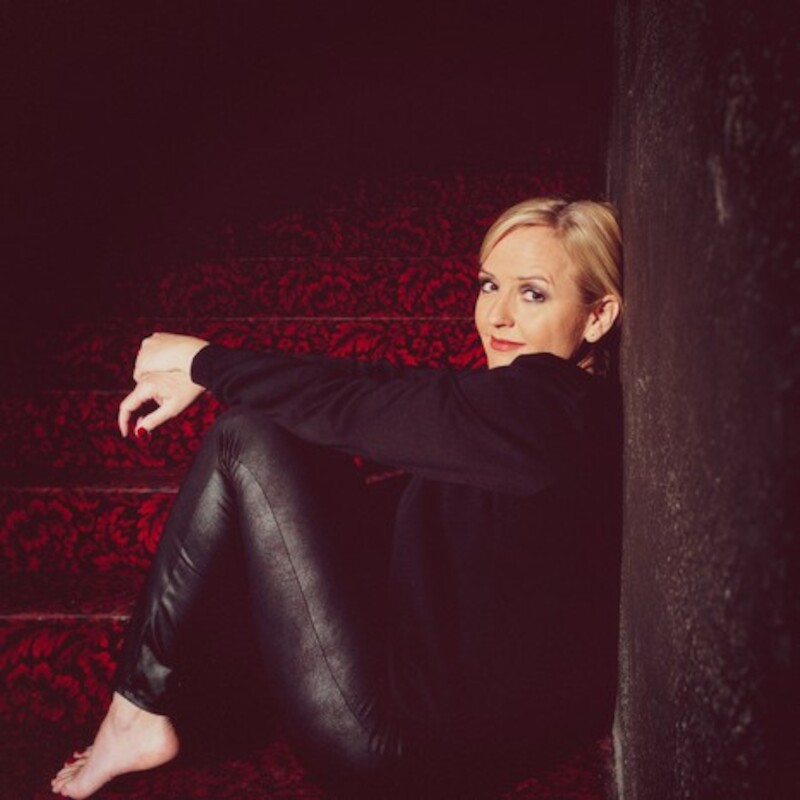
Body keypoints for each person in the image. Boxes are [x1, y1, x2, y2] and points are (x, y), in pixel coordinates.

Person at [51, 197, 623, 799]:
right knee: (289, 435)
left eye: (533, 294)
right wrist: (213, 370)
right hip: (440, 723)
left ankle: (136, 708)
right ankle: (178, 705)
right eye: (488, 286)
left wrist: (203, 362)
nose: (498, 315)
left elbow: (357, 404)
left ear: (598, 316)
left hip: (403, 745)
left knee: (246, 437)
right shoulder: (540, 408)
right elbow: (384, 389)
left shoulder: (545, 411)